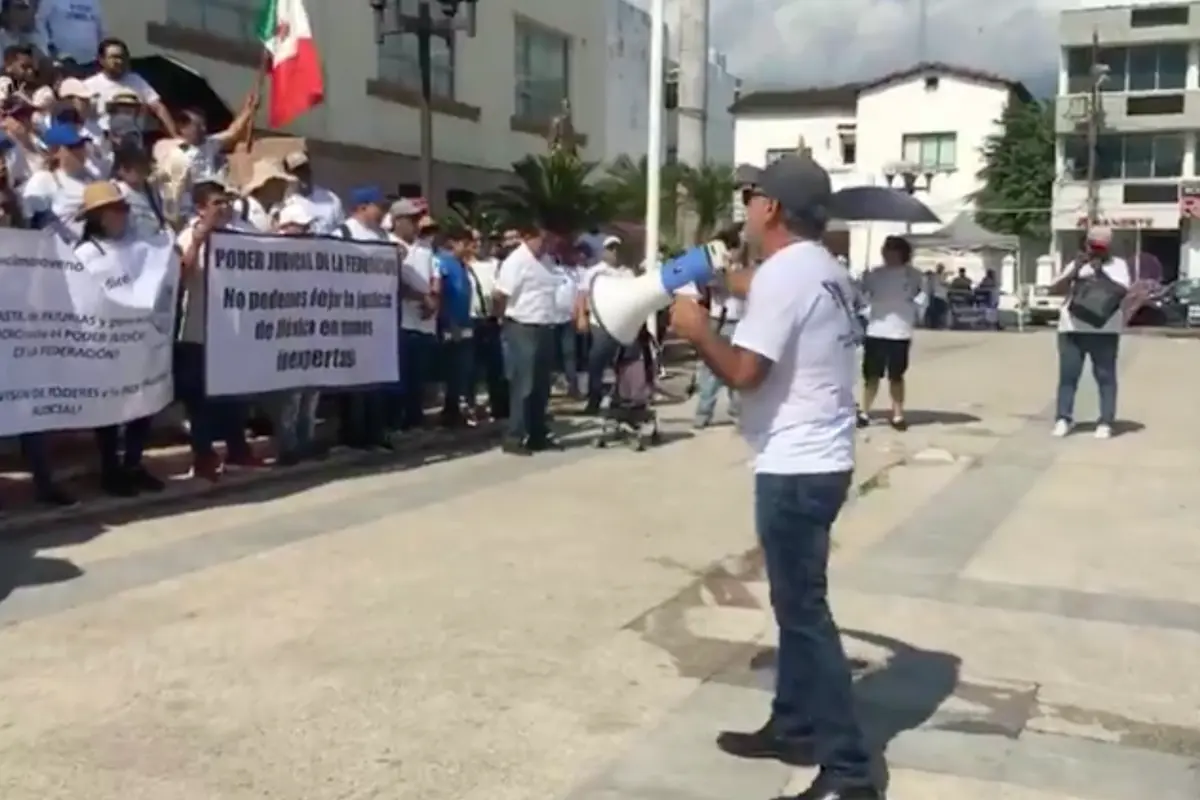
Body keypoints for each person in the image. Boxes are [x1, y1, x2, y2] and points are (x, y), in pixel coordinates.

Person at [667, 154, 879, 800]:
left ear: (774, 209)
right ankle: (792, 725)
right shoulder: (824, 269)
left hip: (796, 466)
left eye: (752, 196)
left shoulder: (785, 276)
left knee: (805, 615)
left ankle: (849, 771)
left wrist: (697, 329)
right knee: (794, 606)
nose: (746, 206)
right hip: (822, 458)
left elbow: (745, 373)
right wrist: (725, 281)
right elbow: (767, 293)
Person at [74, 180, 167, 496]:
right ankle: (110, 471)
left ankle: (134, 464)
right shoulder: (85, 254)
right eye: (117, 210)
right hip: (106, 344)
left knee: (144, 405)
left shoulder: (139, 247)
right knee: (110, 412)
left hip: (139, 340)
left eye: (124, 208)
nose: (124, 215)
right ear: (99, 216)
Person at [174, 178, 264, 480]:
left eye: (226, 201)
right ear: (201, 208)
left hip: (231, 332)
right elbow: (181, 275)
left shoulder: (239, 233)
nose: (224, 207)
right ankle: (203, 456)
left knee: (234, 397)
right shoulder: (189, 235)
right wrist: (199, 240)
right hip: (197, 332)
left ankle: (237, 450)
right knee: (200, 402)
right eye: (216, 203)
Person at [1049, 226, 1131, 439]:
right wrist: (1076, 269)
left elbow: (1122, 292)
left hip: (1105, 330)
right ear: (1086, 244)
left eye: (1101, 247)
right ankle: (1063, 418)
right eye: (1093, 246)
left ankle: (1105, 420)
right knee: (1068, 375)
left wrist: (1099, 271)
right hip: (1071, 328)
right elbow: (1055, 289)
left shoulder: (1118, 266)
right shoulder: (1076, 264)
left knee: (1105, 376)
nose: (1097, 251)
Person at [332, 185, 394, 450]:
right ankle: (353, 434)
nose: (382, 212)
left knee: (376, 380)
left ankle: (375, 431)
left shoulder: (383, 236)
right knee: (353, 382)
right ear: (362, 207)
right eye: (379, 206)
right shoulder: (342, 234)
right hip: (350, 317)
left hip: (379, 317)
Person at [493, 225, 561, 455]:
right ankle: (514, 436)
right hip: (522, 325)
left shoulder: (548, 261)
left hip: (545, 325)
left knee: (542, 385)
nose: (544, 244)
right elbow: (500, 295)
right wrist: (501, 320)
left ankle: (537, 433)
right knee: (525, 383)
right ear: (528, 237)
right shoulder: (516, 261)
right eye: (541, 239)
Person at [272, 201, 325, 463]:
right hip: (285, 334)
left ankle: (307, 439)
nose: (305, 233)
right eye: (300, 228)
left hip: (311, 330)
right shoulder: (271, 255)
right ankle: (288, 445)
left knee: (311, 390)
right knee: (290, 395)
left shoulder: (313, 256)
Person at [857, 235, 923, 430]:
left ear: (902, 253)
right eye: (885, 249)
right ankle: (864, 411)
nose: (887, 253)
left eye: (892, 250)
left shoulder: (913, 275)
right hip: (876, 330)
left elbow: (921, 296)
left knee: (896, 376)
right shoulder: (874, 274)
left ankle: (897, 414)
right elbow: (861, 295)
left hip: (900, 332)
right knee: (871, 375)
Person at [83, 38, 178, 136]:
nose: (119, 61)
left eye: (122, 57)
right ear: (101, 59)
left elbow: (158, 108)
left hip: (133, 141)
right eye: (114, 57)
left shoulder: (136, 81)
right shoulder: (88, 86)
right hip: (102, 142)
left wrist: (175, 136)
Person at [580, 234, 632, 413]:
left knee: (623, 363)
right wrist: (581, 317)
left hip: (623, 325)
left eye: (617, 248)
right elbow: (583, 295)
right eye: (610, 249)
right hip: (600, 323)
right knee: (596, 363)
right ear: (604, 251)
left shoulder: (627, 273)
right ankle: (594, 399)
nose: (614, 252)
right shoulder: (594, 272)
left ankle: (620, 397)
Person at [20, 121, 94, 240]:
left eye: (81, 145)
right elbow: (29, 224)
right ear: (55, 152)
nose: (80, 151)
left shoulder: (91, 177)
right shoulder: (43, 180)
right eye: (72, 147)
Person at [436, 224, 476, 426]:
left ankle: (455, 409)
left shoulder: (461, 265)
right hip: (451, 326)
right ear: (453, 243)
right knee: (453, 370)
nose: (470, 249)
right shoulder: (442, 263)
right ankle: (450, 411)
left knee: (462, 371)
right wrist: (450, 323)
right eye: (466, 244)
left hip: (464, 323)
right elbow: (442, 295)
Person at [466, 229, 508, 420]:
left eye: (483, 241)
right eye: (475, 241)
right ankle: (471, 406)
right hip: (471, 320)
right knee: (471, 368)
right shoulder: (464, 266)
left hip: (492, 321)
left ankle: (500, 408)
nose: (479, 244)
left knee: (496, 367)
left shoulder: (497, 265)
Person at [281, 149, 342, 234]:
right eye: (296, 172)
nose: (302, 175)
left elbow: (340, 231)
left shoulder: (331, 199)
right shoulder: (283, 203)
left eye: (304, 169)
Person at [35, 0, 103, 71]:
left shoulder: (93, 2)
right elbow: (40, 22)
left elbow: (101, 28)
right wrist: (47, 48)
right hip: (63, 61)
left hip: (91, 62)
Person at [234, 158, 296, 231]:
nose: (283, 187)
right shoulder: (241, 207)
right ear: (263, 185)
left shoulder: (279, 210)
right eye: (277, 183)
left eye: (284, 183)